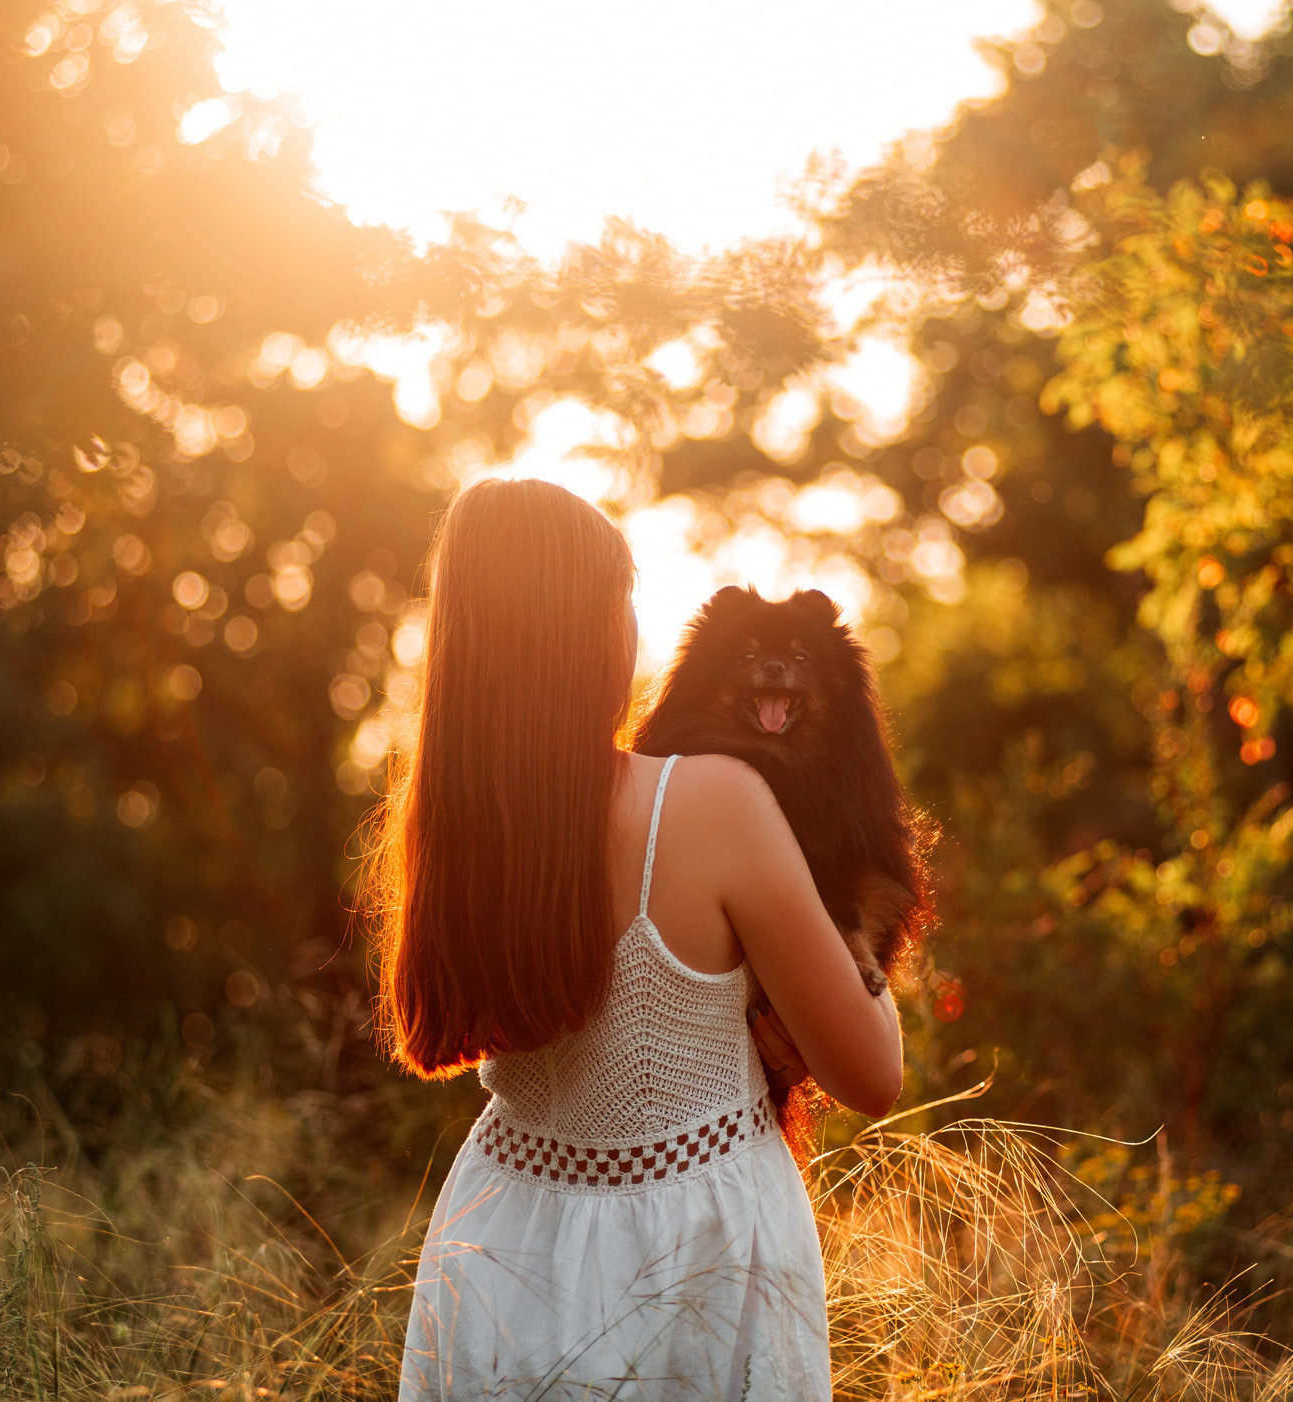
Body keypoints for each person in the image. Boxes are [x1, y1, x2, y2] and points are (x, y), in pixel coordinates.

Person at [369, 477, 902, 1400]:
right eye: (622, 597)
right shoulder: (710, 803)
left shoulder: (451, 832)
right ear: (586, 630)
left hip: (499, 1248)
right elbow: (871, 1075)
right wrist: (856, 935)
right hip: (698, 1259)